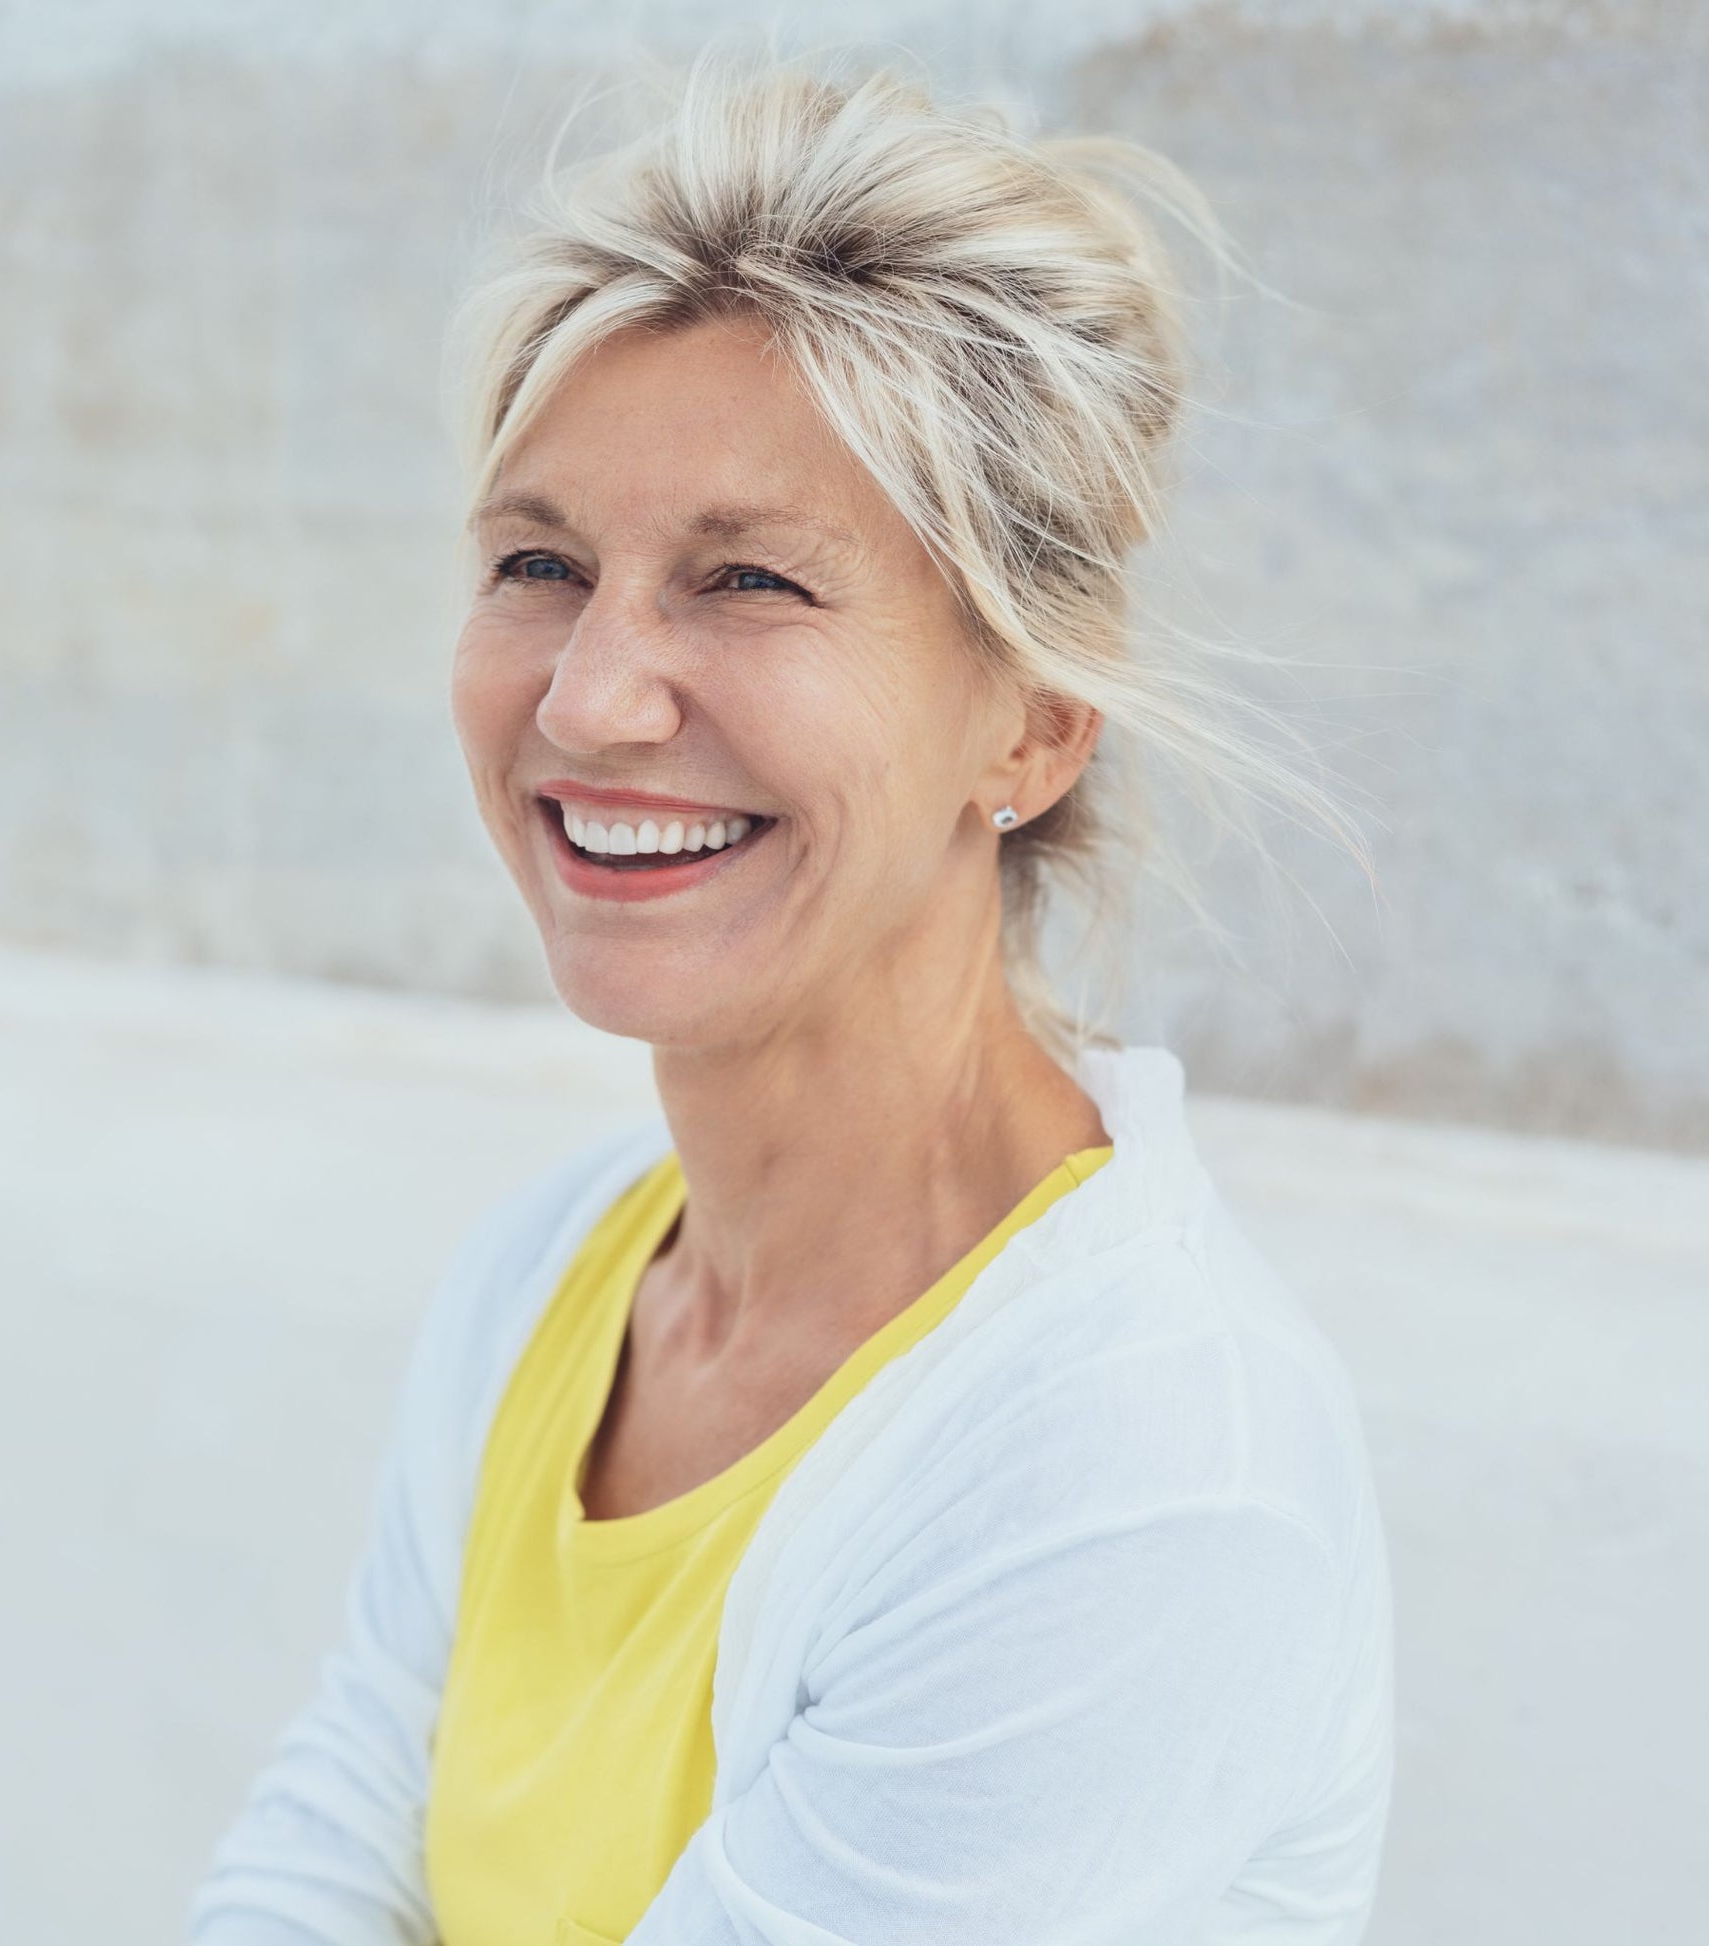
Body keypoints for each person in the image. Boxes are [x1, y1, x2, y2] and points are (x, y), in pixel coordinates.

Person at [188, 45, 1394, 1946]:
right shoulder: (552, 1279)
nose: (590, 696)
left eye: (747, 580)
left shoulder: (1140, 1457)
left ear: (1031, 723)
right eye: (537, 562)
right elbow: (338, 1848)